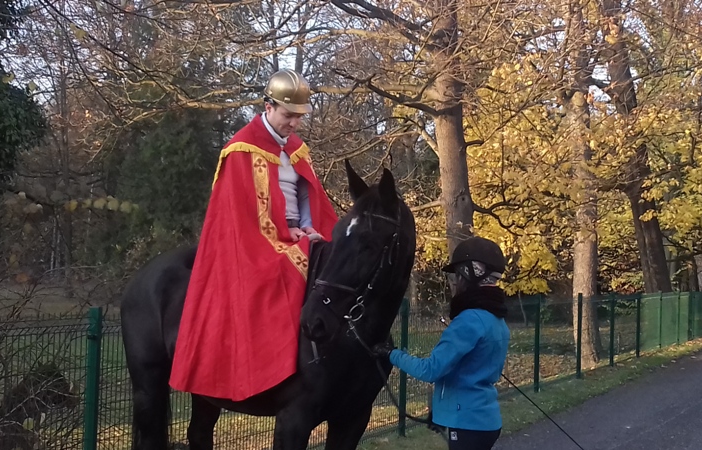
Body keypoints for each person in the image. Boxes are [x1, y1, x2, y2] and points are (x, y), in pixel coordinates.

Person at [169, 69, 339, 402]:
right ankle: (271, 366)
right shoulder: (241, 148)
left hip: (299, 232)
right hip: (257, 241)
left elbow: (308, 194)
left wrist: (307, 226)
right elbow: (243, 213)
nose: (294, 123)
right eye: (288, 115)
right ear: (268, 107)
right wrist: (285, 231)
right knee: (283, 275)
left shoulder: (297, 149)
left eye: (299, 117)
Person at [373, 236, 511, 450]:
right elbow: (467, 373)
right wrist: (441, 412)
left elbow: (430, 370)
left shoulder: (469, 321)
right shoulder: (496, 320)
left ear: (471, 273)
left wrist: (391, 353)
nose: (454, 282)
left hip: (467, 424)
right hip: (485, 421)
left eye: (457, 276)